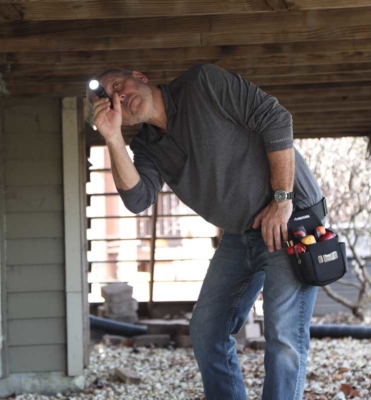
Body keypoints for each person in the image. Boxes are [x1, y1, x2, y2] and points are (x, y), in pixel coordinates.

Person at [88, 64, 322, 400]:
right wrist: (112, 138)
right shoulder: (148, 147)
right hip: (241, 234)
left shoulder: (203, 84)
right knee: (207, 330)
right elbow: (138, 199)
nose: (118, 96)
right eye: (110, 98)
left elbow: (275, 117)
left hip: (291, 218)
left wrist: (282, 200)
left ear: (140, 76)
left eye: (118, 84)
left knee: (284, 336)